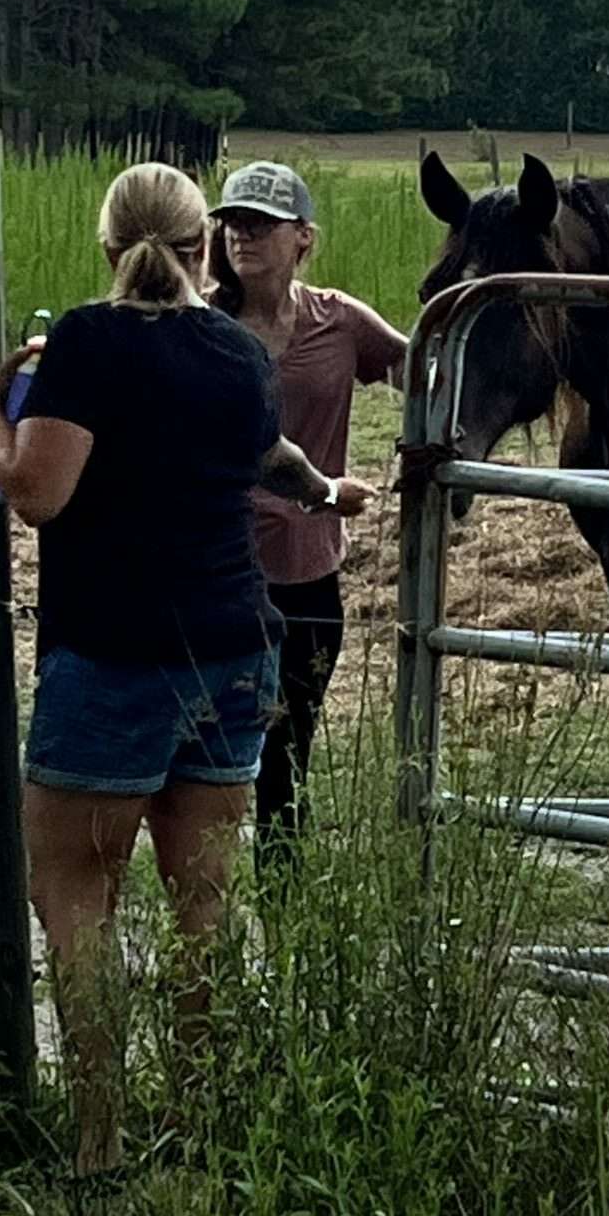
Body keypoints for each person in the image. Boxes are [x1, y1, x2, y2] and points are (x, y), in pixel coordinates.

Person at [0, 161, 370, 1176]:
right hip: (234, 647)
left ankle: (99, 1140)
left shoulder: (87, 342)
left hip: (114, 649)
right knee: (206, 903)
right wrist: (326, 491)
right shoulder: (238, 349)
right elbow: (268, 453)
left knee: (78, 897)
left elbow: (39, 494)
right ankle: (200, 1124)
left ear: (109, 246)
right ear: (203, 248)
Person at [209, 162, 406, 867]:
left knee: (289, 748)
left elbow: (421, 372)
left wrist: (434, 451)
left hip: (308, 571)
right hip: (219, 568)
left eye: (262, 223)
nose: (243, 235)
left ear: (303, 238)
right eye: (233, 222)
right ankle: (207, 892)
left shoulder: (338, 321)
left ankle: (282, 888)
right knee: (213, 750)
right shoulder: (201, 325)